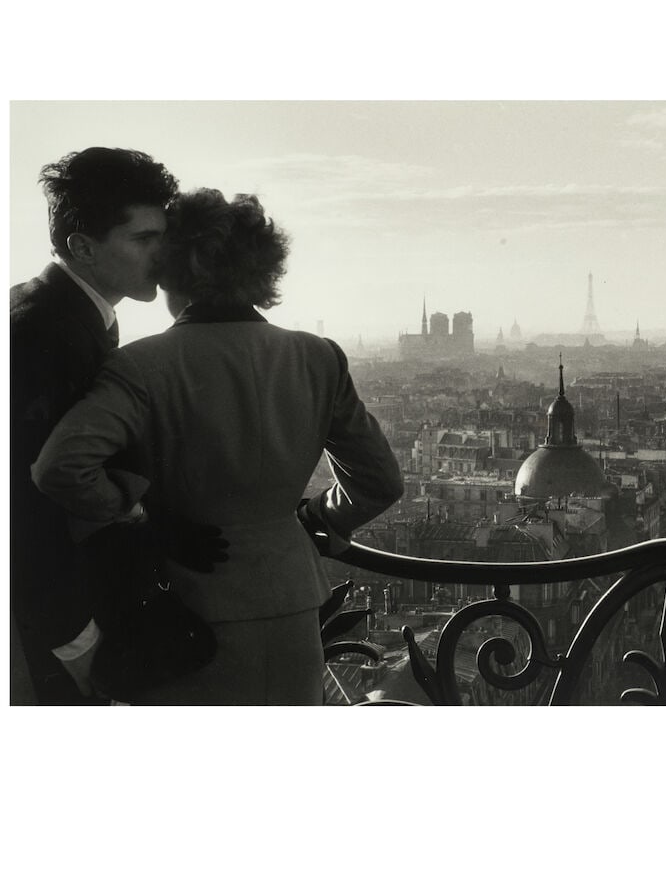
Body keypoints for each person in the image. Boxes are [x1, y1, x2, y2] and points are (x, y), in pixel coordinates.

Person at [32, 188, 404, 704]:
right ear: (262, 269)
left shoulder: (143, 365)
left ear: (172, 269)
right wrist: (316, 519)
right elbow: (379, 482)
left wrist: (134, 512)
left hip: (185, 610)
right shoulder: (317, 357)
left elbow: (61, 467)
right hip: (293, 600)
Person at [10, 147, 179, 704]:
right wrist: (75, 637)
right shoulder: (43, 334)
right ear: (82, 247)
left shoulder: (48, 313)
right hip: (52, 623)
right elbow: (23, 502)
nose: (164, 253)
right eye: (143, 238)